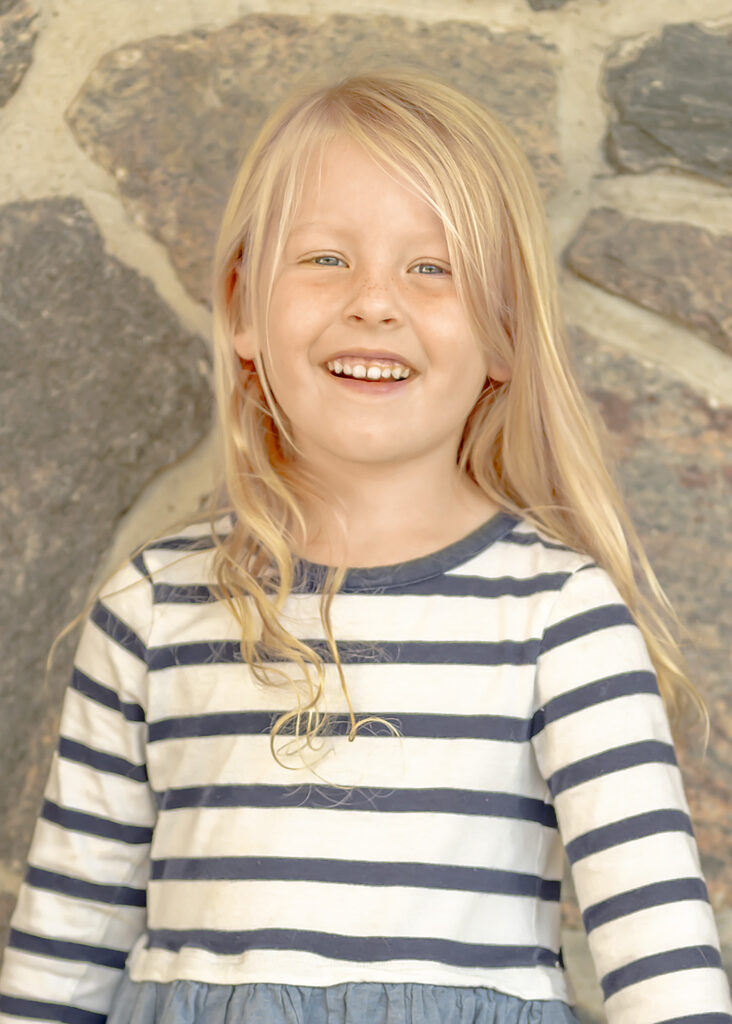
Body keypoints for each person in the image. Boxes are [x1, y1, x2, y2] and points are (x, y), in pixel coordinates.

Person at [0, 70, 730, 1024]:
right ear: (242, 308)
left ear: (506, 328)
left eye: (432, 268)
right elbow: (59, 963)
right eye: (325, 260)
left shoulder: (561, 620)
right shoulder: (152, 609)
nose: (374, 303)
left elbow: (662, 963)